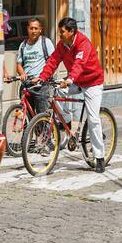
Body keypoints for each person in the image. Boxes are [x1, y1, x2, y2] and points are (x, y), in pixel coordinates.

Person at [37, 16, 107, 171]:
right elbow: (53, 61)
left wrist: (69, 79)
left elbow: (79, 64)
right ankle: (66, 121)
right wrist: (41, 78)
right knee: (55, 91)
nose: (59, 34)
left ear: (71, 32)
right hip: (75, 81)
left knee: (93, 118)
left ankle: (100, 157)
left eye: (62, 32)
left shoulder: (83, 43)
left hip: (92, 83)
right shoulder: (62, 45)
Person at [15, 17, 54, 102]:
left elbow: (53, 62)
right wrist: (22, 73)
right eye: (31, 28)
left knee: (42, 114)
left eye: (36, 28)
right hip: (27, 85)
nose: (33, 31)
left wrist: (42, 77)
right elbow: (19, 64)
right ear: (27, 29)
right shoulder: (23, 45)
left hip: (42, 85)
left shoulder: (46, 42)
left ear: (40, 30)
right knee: (27, 113)